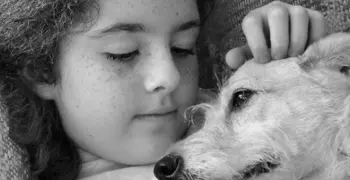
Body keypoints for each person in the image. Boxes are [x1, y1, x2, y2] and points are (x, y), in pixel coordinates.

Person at [0, 0, 326, 179]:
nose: (169, 76)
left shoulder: (226, 132)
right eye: (123, 52)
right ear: (42, 71)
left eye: (183, 48)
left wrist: (289, 61)